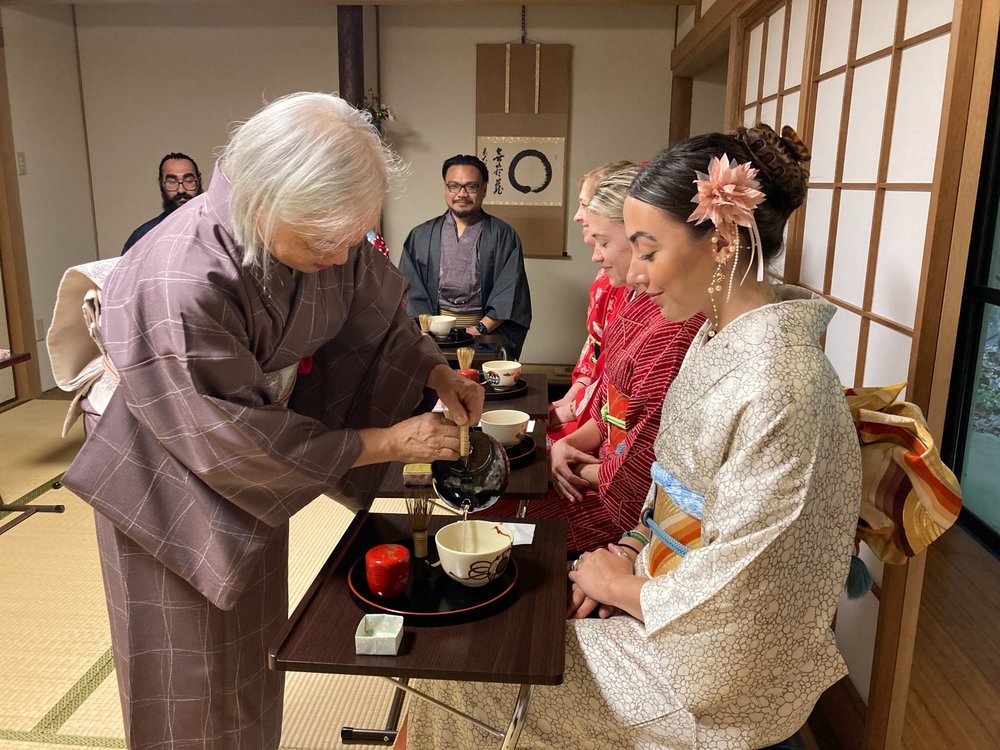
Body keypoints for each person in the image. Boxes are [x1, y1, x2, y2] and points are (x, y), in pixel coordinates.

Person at [401, 125, 862, 749]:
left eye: (645, 249)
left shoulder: (780, 385)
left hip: (720, 674)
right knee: (474, 638)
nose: (634, 276)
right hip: (661, 584)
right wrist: (629, 549)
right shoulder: (715, 339)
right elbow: (672, 493)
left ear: (722, 240)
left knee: (464, 668)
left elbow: (748, 589)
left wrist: (619, 584)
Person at [60, 93, 483, 750]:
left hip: (250, 443)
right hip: (161, 462)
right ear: (266, 202)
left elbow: (376, 311)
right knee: (186, 665)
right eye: (329, 241)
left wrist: (437, 374)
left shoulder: (313, 227)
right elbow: (233, 438)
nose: (343, 257)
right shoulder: (183, 277)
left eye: (352, 238)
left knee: (255, 643)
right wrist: (388, 442)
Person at [485, 166, 703, 554]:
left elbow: (638, 470)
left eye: (645, 251)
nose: (595, 253)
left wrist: (568, 458)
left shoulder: (676, 324)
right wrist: (570, 441)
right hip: (600, 459)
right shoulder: (639, 303)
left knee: (499, 532)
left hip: (618, 494)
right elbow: (609, 402)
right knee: (488, 499)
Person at [398, 154, 532, 359]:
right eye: (454, 186)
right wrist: (433, 330)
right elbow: (410, 292)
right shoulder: (421, 235)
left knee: (482, 388)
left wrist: (478, 328)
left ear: (484, 189)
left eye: (471, 186)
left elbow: (509, 294)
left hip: (485, 332)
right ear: (445, 188)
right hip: (434, 336)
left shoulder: (503, 235)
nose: (462, 194)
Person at [547, 161, 634, 441]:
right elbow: (594, 348)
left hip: (609, 406)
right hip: (594, 393)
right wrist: (574, 395)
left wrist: (575, 407)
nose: (577, 216)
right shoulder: (607, 273)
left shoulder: (628, 281)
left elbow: (611, 366)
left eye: (584, 205)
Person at [121, 152, 203, 255]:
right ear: (161, 184)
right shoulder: (143, 237)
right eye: (172, 182)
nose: (181, 190)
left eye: (189, 180)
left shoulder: (219, 229)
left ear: (198, 181)